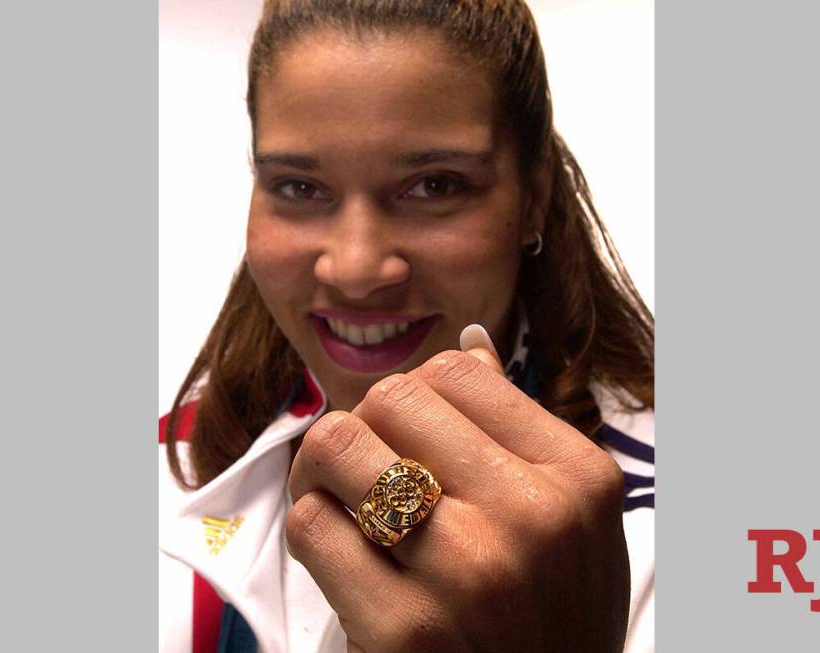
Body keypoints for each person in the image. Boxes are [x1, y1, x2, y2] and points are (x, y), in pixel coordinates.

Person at [160, 1, 654, 651]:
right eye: (300, 188)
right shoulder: (171, 466)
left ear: (532, 199)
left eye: (435, 185)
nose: (358, 268)